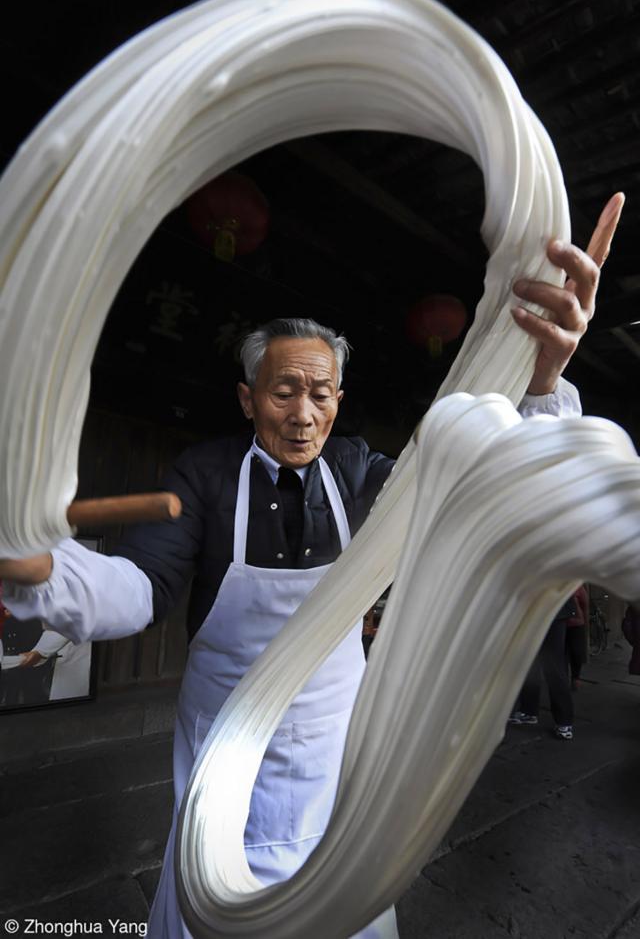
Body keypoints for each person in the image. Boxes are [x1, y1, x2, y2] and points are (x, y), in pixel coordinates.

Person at [0, 233, 605, 938]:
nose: (304, 413)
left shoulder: (358, 472)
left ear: (339, 401)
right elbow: (140, 587)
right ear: (248, 398)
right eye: (283, 391)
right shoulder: (206, 474)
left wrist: (539, 383)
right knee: (211, 888)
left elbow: (473, 492)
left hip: (331, 733)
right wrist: (47, 572)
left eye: (321, 393)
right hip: (225, 731)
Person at [508, 595, 577, 740]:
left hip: (544, 608)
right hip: (551, 608)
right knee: (533, 662)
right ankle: (531, 711)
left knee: (550, 665)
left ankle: (561, 720)